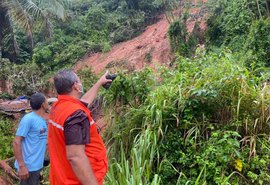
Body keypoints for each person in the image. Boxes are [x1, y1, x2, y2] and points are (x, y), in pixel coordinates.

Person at [48, 69, 112, 185]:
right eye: (79, 81)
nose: (81, 84)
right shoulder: (76, 115)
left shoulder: (59, 107)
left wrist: (99, 82)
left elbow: (83, 102)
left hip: (62, 176)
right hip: (77, 180)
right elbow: (75, 156)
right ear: (76, 86)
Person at [13, 92, 49, 185]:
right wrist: (22, 166)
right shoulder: (28, 119)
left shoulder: (41, 119)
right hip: (28, 167)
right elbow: (17, 142)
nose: (48, 103)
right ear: (43, 105)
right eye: (46, 101)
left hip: (36, 166)